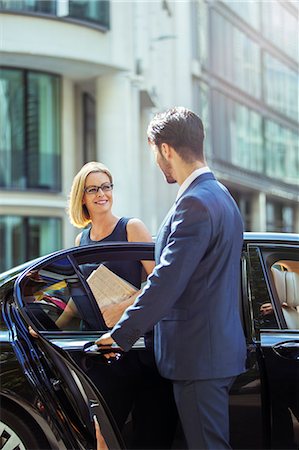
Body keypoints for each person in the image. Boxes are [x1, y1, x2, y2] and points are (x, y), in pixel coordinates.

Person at [97, 107, 247, 450]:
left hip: (198, 357)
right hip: (210, 351)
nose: (157, 162)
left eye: (154, 152)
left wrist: (119, 336)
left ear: (165, 149)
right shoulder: (221, 196)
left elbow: (166, 280)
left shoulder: (194, 203)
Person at [68, 161, 177, 449]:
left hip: (140, 348)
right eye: (93, 189)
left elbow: (160, 284)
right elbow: (78, 300)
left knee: (150, 435)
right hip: (106, 350)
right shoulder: (83, 238)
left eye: (106, 187)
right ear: (82, 196)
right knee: (103, 434)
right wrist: (45, 325)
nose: (102, 194)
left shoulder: (132, 227)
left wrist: (125, 305)